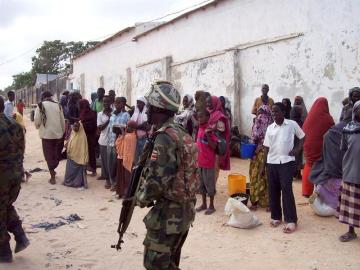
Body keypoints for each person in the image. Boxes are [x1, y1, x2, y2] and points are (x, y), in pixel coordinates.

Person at [136, 81, 198, 270]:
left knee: (154, 264)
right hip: (184, 213)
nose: (147, 111)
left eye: (150, 107)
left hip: (168, 216)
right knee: (170, 263)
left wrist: (139, 197)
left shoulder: (164, 137)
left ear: (159, 109)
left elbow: (156, 182)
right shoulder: (180, 133)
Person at [261, 102, 305, 233]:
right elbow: (266, 148)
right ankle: (276, 217)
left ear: (284, 113)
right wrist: (263, 166)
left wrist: (297, 149)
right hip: (272, 162)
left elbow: (302, 137)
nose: (274, 114)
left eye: (277, 111)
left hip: (287, 162)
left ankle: (291, 220)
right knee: (273, 191)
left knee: (286, 190)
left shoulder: (292, 125)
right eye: (272, 112)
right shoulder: (270, 128)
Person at [0, 96, 30, 263]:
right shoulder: (15, 125)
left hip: (2, 175)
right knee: (5, 205)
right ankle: (20, 235)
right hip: (16, 173)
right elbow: (22, 150)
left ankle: (4, 251)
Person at [310, 121, 346, 210]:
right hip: (332, 209)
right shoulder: (342, 180)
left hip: (318, 208)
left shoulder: (323, 172)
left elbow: (312, 199)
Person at [302, 98, 334, 197]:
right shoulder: (327, 118)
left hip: (307, 145)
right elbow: (333, 131)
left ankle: (306, 191)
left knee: (309, 164)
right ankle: (319, 193)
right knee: (320, 167)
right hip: (320, 147)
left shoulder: (309, 117)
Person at [338, 100, 360, 242]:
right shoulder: (348, 129)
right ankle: (351, 231)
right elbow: (344, 149)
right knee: (351, 204)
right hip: (351, 170)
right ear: (355, 112)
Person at [34, 91, 65, 184]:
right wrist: (62, 132)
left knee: (48, 155)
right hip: (58, 134)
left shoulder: (40, 105)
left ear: (43, 97)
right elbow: (62, 120)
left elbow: (37, 121)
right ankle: (53, 168)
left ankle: (52, 177)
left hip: (46, 135)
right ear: (51, 97)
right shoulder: (58, 105)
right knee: (56, 154)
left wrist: (38, 126)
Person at [249, 105, 273, 210]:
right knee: (267, 177)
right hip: (270, 152)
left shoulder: (259, 119)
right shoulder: (272, 122)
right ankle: (268, 202)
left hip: (259, 152)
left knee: (256, 175)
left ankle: (255, 202)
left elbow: (255, 136)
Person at [196, 110, 218, 215]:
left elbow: (214, 146)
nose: (199, 119)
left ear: (208, 117)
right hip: (200, 161)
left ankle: (212, 205)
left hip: (209, 162)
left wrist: (208, 135)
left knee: (210, 184)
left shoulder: (210, 130)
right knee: (202, 184)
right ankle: (204, 204)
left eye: (201, 117)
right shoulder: (199, 128)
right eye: (198, 117)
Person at [106, 97, 130, 191]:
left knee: (117, 164)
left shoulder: (126, 115)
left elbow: (127, 129)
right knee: (110, 163)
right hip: (110, 142)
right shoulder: (112, 114)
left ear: (123, 104)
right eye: (115, 103)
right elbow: (109, 128)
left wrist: (120, 129)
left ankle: (117, 183)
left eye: (119, 103)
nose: (116, 105)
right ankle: (112, 182)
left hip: (120, 143)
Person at [206, 95, 231, 174]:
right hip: (206, 146)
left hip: (215, 147)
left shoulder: (219, 116)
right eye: (207, 102)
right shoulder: (207, 113)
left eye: (210, 102)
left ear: (215, 103)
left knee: (213, 172)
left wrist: (211, 129)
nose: (208, 104)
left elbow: (222, 130)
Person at [115, 120, 137, 198]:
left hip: (126, 159)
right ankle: (120, 192)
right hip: (121, 158)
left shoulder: (130, 136)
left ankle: (125, 193)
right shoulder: (127, 135)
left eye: (130, 127)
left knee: (126, 178)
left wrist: (123, 135)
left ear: (134, 129)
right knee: (120, 176)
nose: (128, 128)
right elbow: (118, 144)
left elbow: (119, 142)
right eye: (127, 126)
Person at [63, 122, 88, 188]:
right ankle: (68, 182)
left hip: (79, 158)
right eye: (74, 126)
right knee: (69, 171)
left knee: (78, 172)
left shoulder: (82, 136)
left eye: (77, 126)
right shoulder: (73, 132)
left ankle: (77, 183)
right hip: (71, 156)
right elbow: (70, 140)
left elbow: (84, 149)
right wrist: (67, 144)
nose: (75, 128)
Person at [79, 99, 97, 176]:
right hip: (83, 137)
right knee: (84, 153)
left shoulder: (91, 113)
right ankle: (85, 169)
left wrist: (83, 125)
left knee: (91, 153)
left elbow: (93, 125)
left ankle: (93, 170)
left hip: (90, 136)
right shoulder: (82, 113)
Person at [97, 96, 112, 184]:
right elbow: (100, 128)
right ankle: (105, 177)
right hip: (103, 140)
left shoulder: (114, 112)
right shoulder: (100, 114)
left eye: (107, 102)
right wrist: (109, 120)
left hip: (112, 141)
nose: (105, 104)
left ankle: (109, 178)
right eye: (104, 102)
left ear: (110, 102)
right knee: (104, 159)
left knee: (111, 160)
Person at [130, 97, 150, 163]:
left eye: (140, 103)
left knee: (143, 158)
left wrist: (136, 126)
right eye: (137, 102)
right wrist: (140, 126)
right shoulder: (135, 113)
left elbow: (147, 127)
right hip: (136, 139)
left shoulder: (147, 113)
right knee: (135, 159)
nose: (138, 104)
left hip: (145, 139)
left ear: (144, 104)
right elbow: (130, 125)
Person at [290, 105, 304, 179]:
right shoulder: (292, 122)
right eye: (300, 111)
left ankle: (298, 173)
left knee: (298, 158)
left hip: (299, 141)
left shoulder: (300, 121)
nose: (302, 112)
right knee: (294, 157)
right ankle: (293, 173)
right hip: (294, 142)